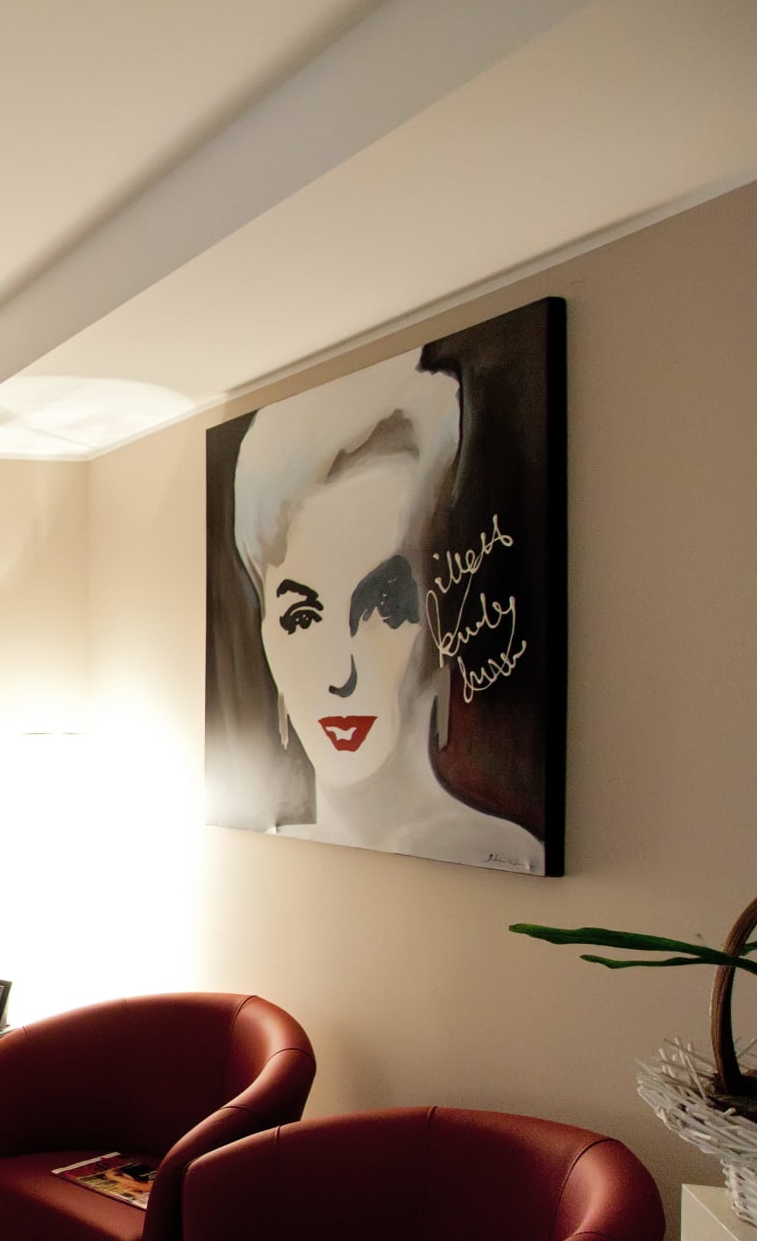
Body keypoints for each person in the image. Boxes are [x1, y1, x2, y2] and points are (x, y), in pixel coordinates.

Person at [230, 351, 544, 871]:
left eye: (384, 607)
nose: (341, 676)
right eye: (302, 617)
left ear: (438, 615)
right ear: (267, 629)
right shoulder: (259, 854)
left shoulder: (512, 858)